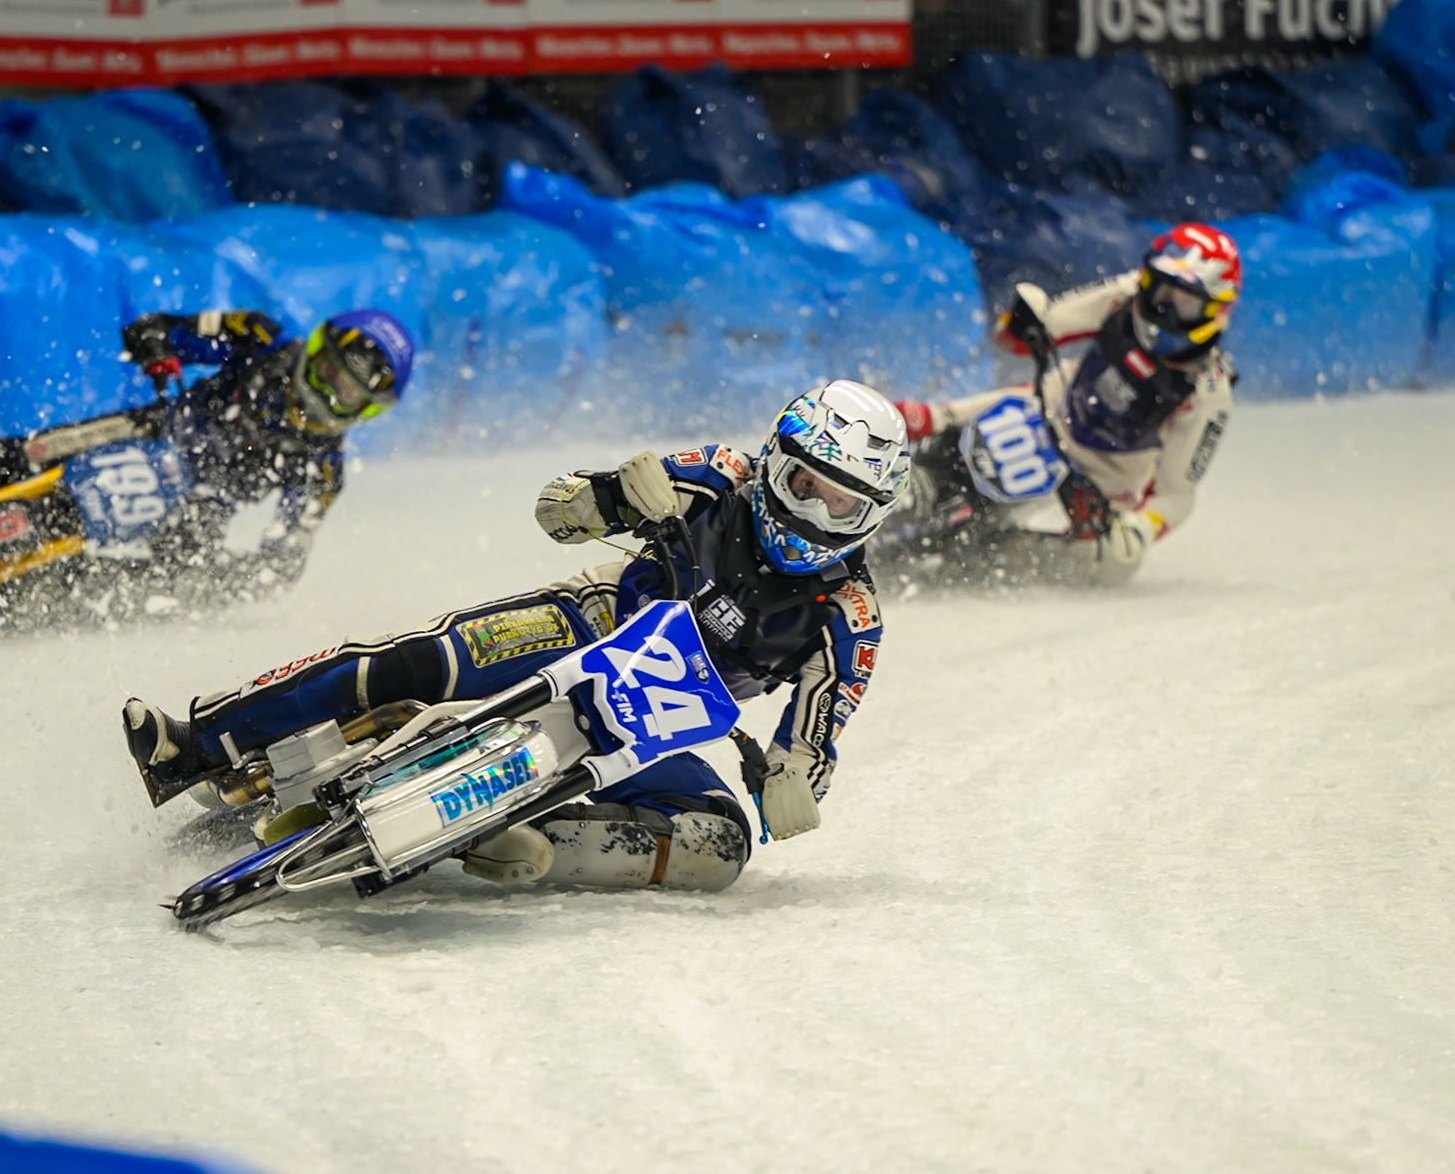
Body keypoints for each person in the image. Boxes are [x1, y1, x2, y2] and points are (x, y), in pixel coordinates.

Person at [123, 379, 912, 895]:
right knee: (421, 659)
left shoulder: (852, 614)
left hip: (660, 723)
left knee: (721, 843)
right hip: (591, 620)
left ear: (873, 514)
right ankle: (196, 740)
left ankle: (523, 833)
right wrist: (609, 497)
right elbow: (558, 508)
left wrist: (794, 779)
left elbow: (816, 737)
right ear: (777, 456)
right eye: (805, 481)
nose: (814, 511)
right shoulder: (719, 474)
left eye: (842, 503)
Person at [0, 306, 413, 610]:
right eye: (329, 372)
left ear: (368, 412)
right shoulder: (257, 336)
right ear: (313, 349)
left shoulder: (325, 472)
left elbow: (283, 563)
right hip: (152, 428)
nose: (328, 394)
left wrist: (223, 579)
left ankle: (9, 601)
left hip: (197, 506)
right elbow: (157, 329)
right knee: (26, 452)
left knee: (158, 587)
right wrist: (160, 349)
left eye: (349, 394)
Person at [893, 221, 1240, 585]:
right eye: (1159, 290)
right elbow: (1024, 335)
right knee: (915, 420)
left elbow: (1176, 496)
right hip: (1047, 411)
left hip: (1105, 479)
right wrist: (1021, 320)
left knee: (1109, 564)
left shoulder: (1208, 392)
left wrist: (1140, 529)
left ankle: (988, 562)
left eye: (1183, 302)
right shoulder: (1125, 294)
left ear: (1216, 312)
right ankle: (887, 476)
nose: (1163, 308)